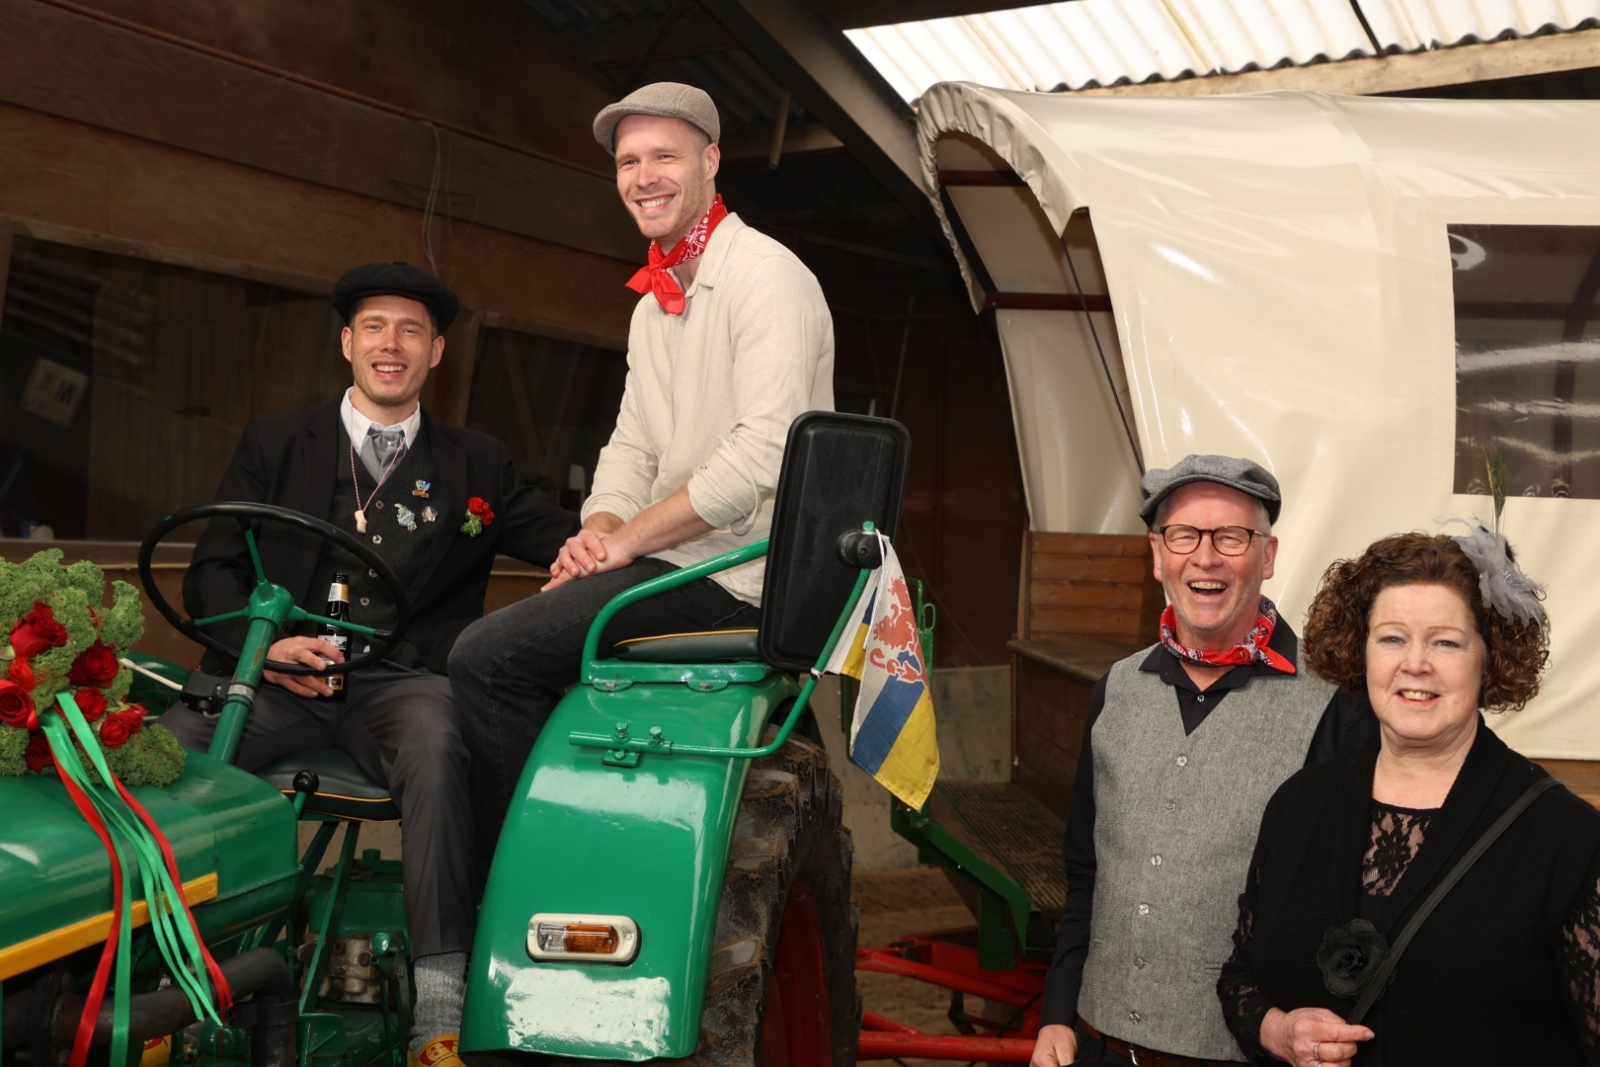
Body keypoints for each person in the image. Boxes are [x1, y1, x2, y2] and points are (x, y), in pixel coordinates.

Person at [161, 262, 578, 1067]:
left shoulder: (478, 463)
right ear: (347, 342)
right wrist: (264, 644)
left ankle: (440, 1010)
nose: (393, 344)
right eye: (376, 328)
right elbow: (211, 571)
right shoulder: (275, 441)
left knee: (439, 746)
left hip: (402, 685)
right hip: (281, 677)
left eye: (411, 330)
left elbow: (575, 541)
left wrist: (631, 534)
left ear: (437, 351)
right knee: (171, 751)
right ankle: (163, 980)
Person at [448, 82, 833, 861]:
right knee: (530, 630)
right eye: (629, 161)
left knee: (484, 659)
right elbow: (630, 449)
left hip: (740, 574)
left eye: (665, 156)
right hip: (672, 558)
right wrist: (596, 533)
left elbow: (763, 454)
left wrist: (627, 544)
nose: (644, 176)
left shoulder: (767, 277)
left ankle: (535, 870)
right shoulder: (652, 305)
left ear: (711, 162)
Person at [1031, 455, 1377, 1067]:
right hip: (1097, 1043)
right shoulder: (1117, 689)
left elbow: (1353, 905)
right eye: (1184, 535)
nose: (1206, 557)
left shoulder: (1336, 707)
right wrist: (1058, 1013)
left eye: (1232, 537)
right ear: (1157, 554)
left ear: (1267, 556)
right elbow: (1086, 872)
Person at [1217, 530, 1600, 1066]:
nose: (1415, 663)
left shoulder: (1567, 840)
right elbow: (1240, 975)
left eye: (1446, 642)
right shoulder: (1298, 804)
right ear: (1361, 650)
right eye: (1392, 638)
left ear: (1489, 658)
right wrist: (1277, 1031)